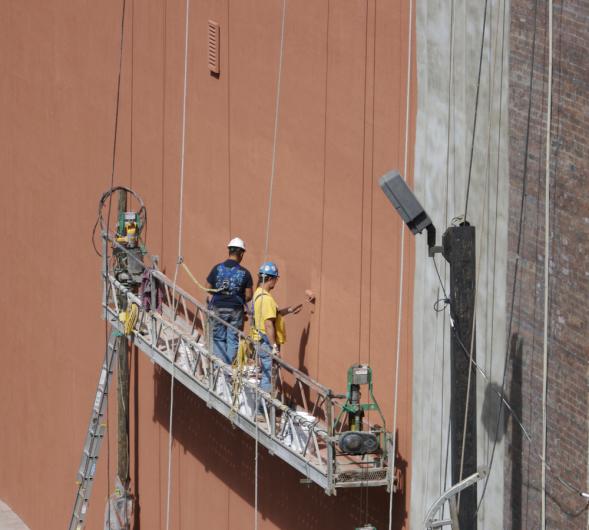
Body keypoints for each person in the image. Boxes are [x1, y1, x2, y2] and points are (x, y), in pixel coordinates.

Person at [251, 262, 302, 393]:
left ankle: (264, 405)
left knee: (268, 373)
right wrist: (274, 347)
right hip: (266, 343)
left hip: (261, 340)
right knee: (270, 375)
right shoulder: (266, 299)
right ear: (269, 279)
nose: (276, 282)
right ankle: (264, 408)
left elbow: (275, 314)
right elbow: (268, 324)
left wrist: (290, 310)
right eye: (276, 279)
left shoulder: (258, 293)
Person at [206, 238, 253, 364]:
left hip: (217, 307)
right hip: (236, 310)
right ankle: (228, 369)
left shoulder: (216, 269)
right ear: (242, 253)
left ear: (229, 251)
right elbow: (249, 296)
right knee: (233, 339)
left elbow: (208, 287)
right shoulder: (245, 273)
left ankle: (219, 368)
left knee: (218, 338)